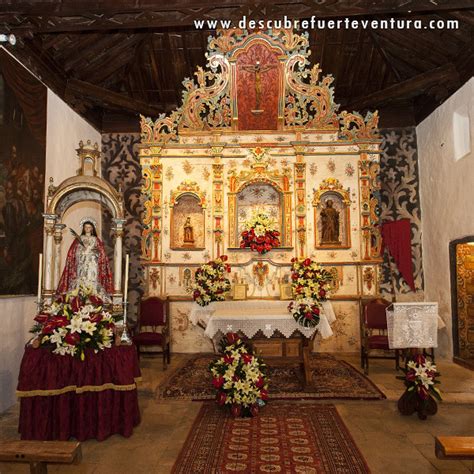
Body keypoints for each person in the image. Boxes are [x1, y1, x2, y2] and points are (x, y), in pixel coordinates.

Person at [57, 217, 113, 300]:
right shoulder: (80, 239)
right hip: (82, 262)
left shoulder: (96, 240)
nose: (87, 229)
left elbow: (101, 254)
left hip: (92, 263)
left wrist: (92, 252)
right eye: (86, 227)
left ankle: (93, 295)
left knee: (92, 279)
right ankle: (80, 294)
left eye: (89, 227)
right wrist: (82, 251)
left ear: (92, 229)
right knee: (81, 278)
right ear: (83, 228)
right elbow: (73, 252)